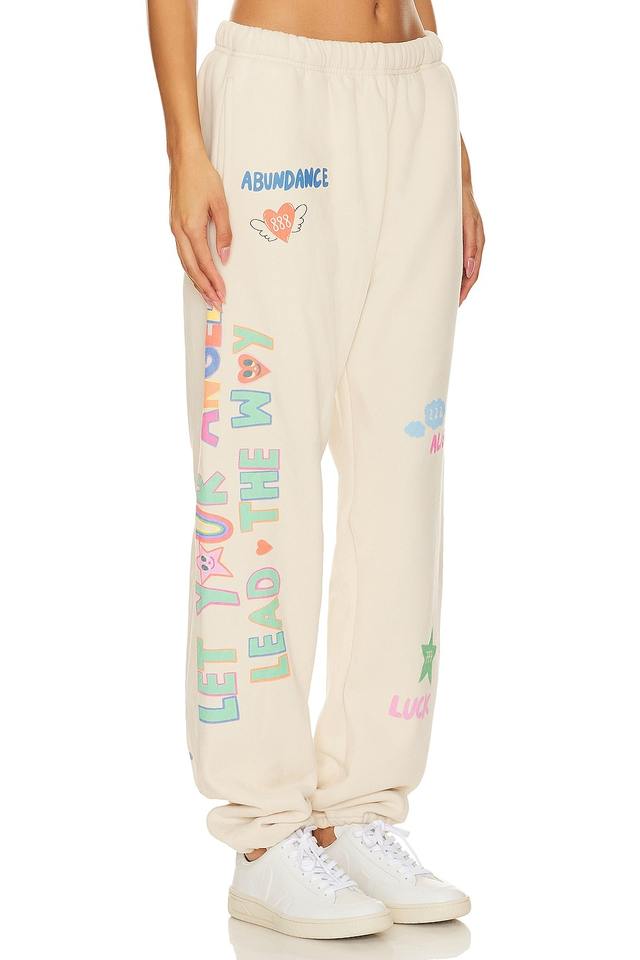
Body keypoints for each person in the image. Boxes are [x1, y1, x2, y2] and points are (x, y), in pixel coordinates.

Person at [148, 0, 484, 940]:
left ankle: (360, 807)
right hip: (278, 94)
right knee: (260, 471)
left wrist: (451, 151)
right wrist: (185, 146)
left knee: (401, 484)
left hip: (414, 93)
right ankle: (264, 835)